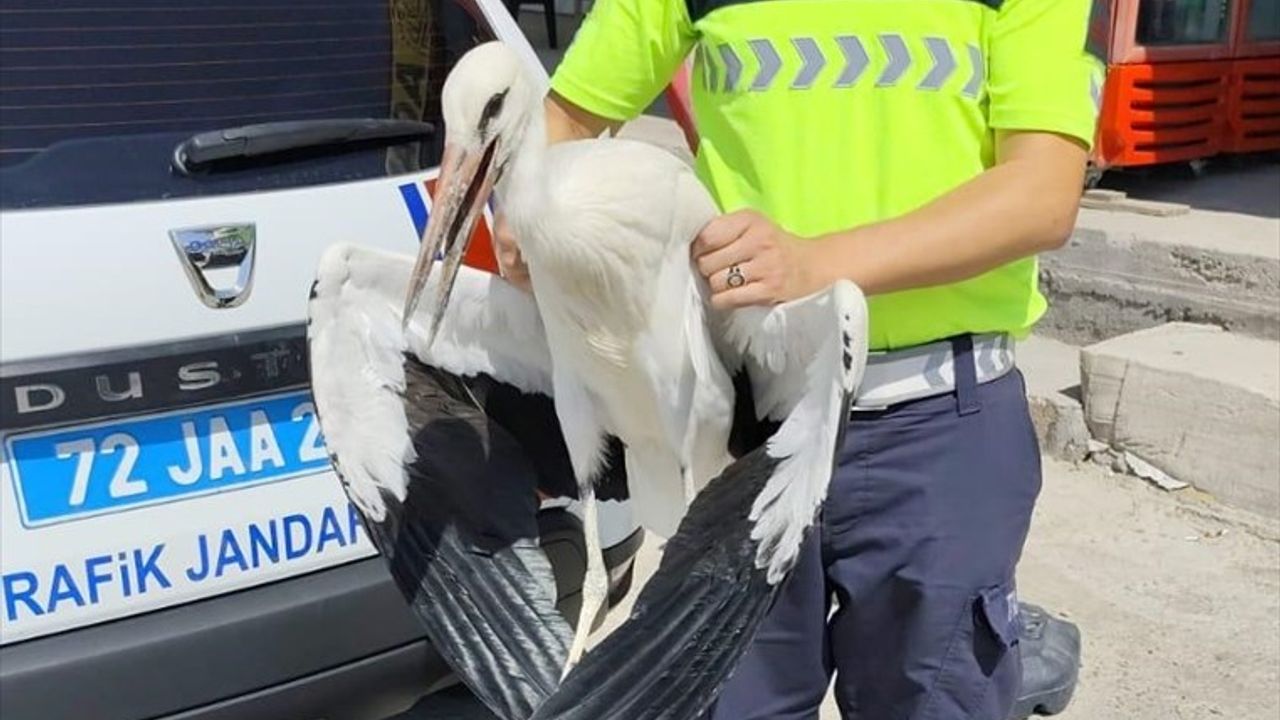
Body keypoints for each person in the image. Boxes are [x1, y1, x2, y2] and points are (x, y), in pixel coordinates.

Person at [495, 1, 1104, 717]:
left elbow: (1041, 193)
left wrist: (818, 262)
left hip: (936, 428)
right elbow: (563, 121)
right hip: (749, 430)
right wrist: (528, 208)